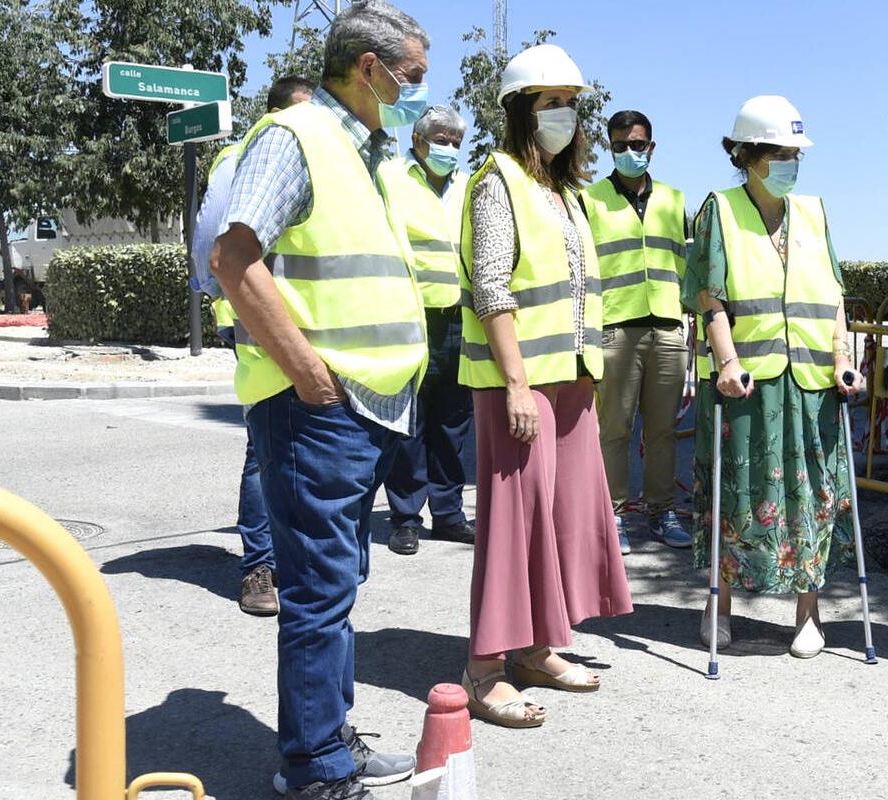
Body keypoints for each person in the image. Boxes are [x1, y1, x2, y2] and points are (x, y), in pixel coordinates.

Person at [208, 3, 430, 796]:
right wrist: (308, 373)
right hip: (317, 409)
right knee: (316, 594)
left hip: (361, 406)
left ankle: (329, 740)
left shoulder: (360, 151)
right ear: (368, 69)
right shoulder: (296, 137)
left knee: (333, 588)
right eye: (413, 77)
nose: (418, 95)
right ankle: (315, 769)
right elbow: (234, 260)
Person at [456, 43, 633, 728]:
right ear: (519, 111)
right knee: (511, 526)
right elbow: (491, 289)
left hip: (571, 384)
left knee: (557, 523)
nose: (563, 114)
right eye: (549, 103)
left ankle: (533, 648)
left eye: (569, 103)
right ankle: (482, 669)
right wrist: (517, 386)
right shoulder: (496, 179)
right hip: (522, 386)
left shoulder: (565, 194)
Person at [685, 95, 863, 659]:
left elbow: (834, 296)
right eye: (782, 154)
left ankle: (809, 615)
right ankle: (720, 604)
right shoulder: (720, 208)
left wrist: (843, 358)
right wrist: (727, 361)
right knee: (739, 495)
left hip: (812, 383)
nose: (791, 163)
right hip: (749, 383)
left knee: (812, 494)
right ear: (751, 156)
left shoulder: (814, 212)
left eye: (796, 154)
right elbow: (708, 297)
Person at [199, 74, 314, 618]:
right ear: (274, 113)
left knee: (293, 443)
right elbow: (211, 250)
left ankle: (292, 558)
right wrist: (236, 305)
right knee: (262, 447)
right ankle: (259, 566)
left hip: (307, 325)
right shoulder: (248, 155)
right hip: (258, 321)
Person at [579, 109, 691, 554]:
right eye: (621, 145)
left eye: (638, 144)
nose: (630, 152)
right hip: (615, 328)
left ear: (652, 147)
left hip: (666, 326)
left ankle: (662, 512)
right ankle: (615, 514)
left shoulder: (675, 200)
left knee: (663, 430)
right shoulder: (590, 200)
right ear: (611, 148)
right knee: (614, 429)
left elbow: (690, 265)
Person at [380, 104, 477, 556]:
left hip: (461, 319)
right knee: (409, 424)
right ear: (418, 140)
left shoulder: (469, 186)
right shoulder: (391, 179)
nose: (449, 148)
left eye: (456, 141)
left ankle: (449, 513)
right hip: (412, 320)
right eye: (441, 139)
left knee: (454, 424)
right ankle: (405, 517)